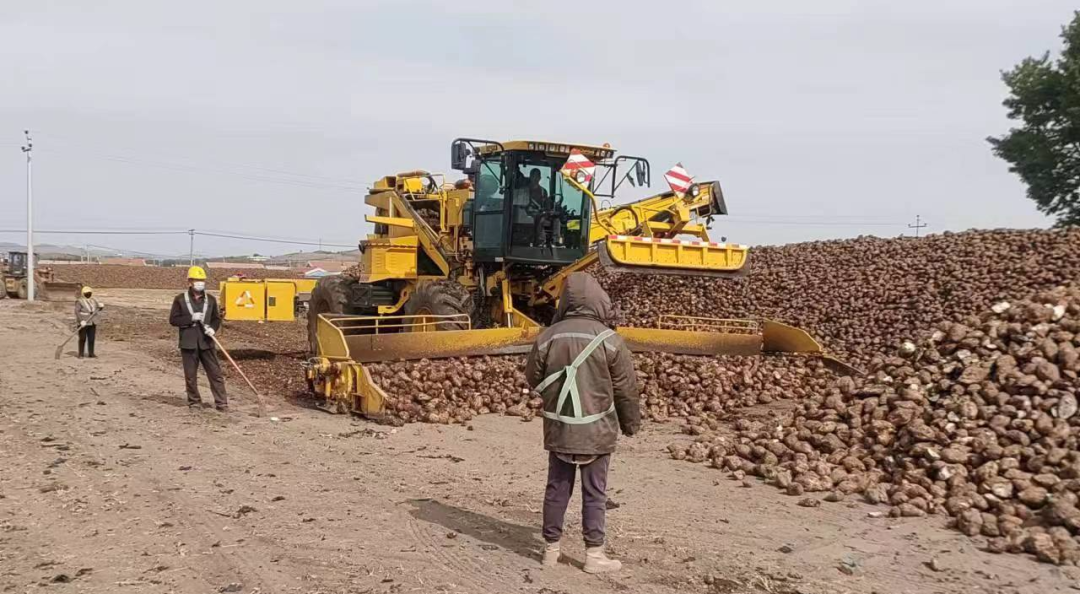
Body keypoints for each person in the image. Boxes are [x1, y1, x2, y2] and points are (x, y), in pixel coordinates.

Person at [524, 272, 640, 574]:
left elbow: (533, 378)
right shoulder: (610, 341)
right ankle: (594, 555)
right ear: (599, 300)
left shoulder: (547, 337)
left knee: (557, 488)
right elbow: (625, 389)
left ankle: (550, 551)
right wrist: (630, 424)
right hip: (597, 431)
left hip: (559, 427)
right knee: (595, 492)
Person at [169, 266, 229, 411]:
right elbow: (173, 320)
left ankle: (221, 403)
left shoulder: (211, 300)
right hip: (188, 343)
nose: (200, 283)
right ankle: (194, 402)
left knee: (215, 374)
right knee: (190, 376)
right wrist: (190, 318)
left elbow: (216, 319)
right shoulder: (180, 299)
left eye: (202, 280)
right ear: (189, 282)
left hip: (206, 343)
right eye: (197, 280)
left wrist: (213, 328)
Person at [74, 286, 104, 358]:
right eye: (86, 293)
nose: (88, 294)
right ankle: (81, 354)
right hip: (84, 322)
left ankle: (91, 353)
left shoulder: (93, 300)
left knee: (91, 338)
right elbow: (77, 312)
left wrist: (101, 307)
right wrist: (81, 321)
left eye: (89, 293)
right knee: (82, 338)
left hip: (92, 321)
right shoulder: (79, 301)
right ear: (83, 293)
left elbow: (97, 309)